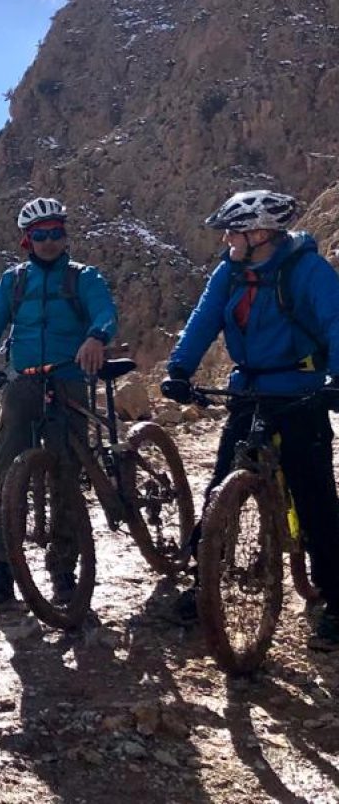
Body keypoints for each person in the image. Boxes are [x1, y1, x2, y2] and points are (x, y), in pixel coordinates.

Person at [160, 190, 339, 649]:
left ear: (260, 234)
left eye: (233, 232)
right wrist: (179, 369)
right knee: (221, 483)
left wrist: (336, 381)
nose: (226, 239)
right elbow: (203, 319)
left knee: (315, 496)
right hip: (249, 389)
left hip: (300, 394)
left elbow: (337, 322)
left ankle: (337, 601)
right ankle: (204, 586)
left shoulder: (308, 270)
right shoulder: (230, 272)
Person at [0, 197, 118, 607]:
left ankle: (63, 571)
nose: (48, 242)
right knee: (7, 470)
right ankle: (2, 570)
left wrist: (96, 337)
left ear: (64, 235)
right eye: (40, 235)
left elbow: (105, 312)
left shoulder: (83, 277)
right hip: (24, 382)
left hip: (69, 379)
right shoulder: (13, 281)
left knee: (65, 475)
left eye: (55, 233)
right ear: (27, 241)